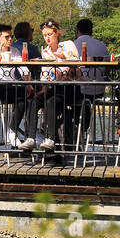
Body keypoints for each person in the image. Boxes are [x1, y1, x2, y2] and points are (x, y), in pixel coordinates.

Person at [38, 19, 79, 152]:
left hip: (69, 87)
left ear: (57, 33)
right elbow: (45, 74)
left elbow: (77, 65)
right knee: (33, 100)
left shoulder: (68, 45)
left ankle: (51, 138)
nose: (47, 38)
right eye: (45, 35)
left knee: (51, 102)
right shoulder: (45, 52)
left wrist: (64, 57)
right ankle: (31, 138)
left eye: (50, 34)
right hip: (52, 86)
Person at [73, 18, 109, 140]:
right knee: (83, 100)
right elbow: (108, 69)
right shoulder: (101, 45)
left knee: (68, 97)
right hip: (98, 90)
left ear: (77, 31)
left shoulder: (72, 45)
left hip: (78, 91)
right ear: (91, 31)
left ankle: (74, 131)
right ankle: (81, 131)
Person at [8, 22, 41, 150]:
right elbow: (39, 70)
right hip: (29, 87)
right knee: (32, 100)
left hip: (12, 87)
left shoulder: (12, 47)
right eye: (32, 30)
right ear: (28, 33)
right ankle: (31, 135)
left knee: (23, 100)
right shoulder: (32, 48)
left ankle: (14, 133)